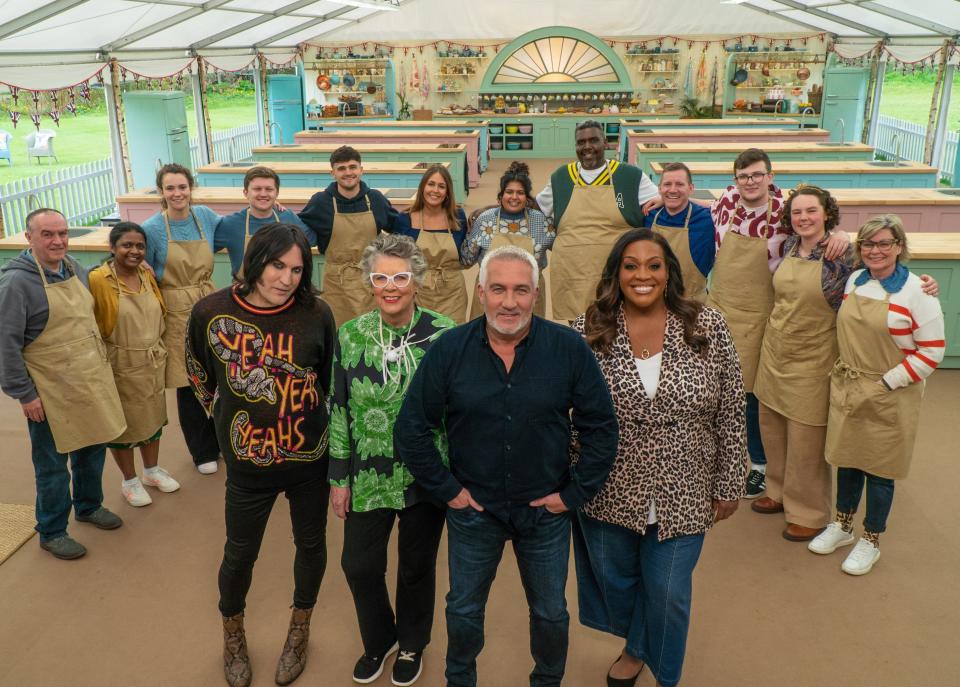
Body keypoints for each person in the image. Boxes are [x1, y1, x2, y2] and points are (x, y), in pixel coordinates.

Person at [395, 245, 619, 687]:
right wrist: (449, 491)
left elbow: (602, 429)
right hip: (474, 511)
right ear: (481, 292)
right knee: (462, 610)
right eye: (498, 289)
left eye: (521, 290)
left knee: (551, 614)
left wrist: (573, 495)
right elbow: (411, 428)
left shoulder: (569, 348)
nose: (509, 302)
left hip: (545, 513)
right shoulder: (450, 349)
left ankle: (547, 682)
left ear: (536, 294)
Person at [572, 228, 747, 687]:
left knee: (668, 592)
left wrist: (730, 482)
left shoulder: (707, 326)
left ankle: (666, 675)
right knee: (616, 583)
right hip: (609, 486)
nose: (642, 275)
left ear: (669, 272)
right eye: (630, 265)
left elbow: (731, 408)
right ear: (616, 274)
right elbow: (566, 413)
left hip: (685, 485)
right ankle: (635, 645)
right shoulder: (586, 330)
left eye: (654, 265)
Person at [186, 223, 336, 687]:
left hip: (310, 459)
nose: (287, 278)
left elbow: (326, 379)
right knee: (239, 554)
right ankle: (233, 634)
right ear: (254, 261)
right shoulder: (210, 313)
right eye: (277, 265)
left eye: (297, 269)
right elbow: (198, 374)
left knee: (310, 546)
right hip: (248, 464)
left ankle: (299, 628)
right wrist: (226, 419)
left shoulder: (317, 313)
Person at [329, 234, 456, 686]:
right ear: (369, 282)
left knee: (416, 566)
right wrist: (338, 477)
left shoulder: (444, 334)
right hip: (367, 472)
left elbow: (458, 409)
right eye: (380, 277)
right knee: (358, 564)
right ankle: (380, 638)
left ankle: (411, 643)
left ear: (416, 281)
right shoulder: (350, 335)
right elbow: (339, 408)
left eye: (400, 277)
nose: (390, 286)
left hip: (425, 474)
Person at [705, 149, 847, 498]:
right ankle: (721, 456)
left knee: (753, 393)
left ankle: (760, 464)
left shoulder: (786, 208)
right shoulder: (725, 200)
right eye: (743, 176)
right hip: (721, 306)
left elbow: (815, 226)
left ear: (770, 176)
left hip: (761, 312)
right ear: (735, 179)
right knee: (718, 388)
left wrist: (841, 235)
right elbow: (696, 212)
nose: (750, 182)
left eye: (757, 175)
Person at [812, 215, 945, 576]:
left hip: (891, 390)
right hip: (850, 383)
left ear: (899, 246)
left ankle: (870, 540)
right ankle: (842, 525)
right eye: (868, 244)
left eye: (884, 243)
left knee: (880, 469)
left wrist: (886, 383)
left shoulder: (917, 292)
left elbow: (932, 351)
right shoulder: (856, 280)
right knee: (849, 457)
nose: (876, 251)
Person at [0, 208, 124, 560]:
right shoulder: (16, 283)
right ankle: (52, 529)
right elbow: (5, 344)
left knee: (92, 448)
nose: (58, 241)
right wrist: (24, 394)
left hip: (87, 380)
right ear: (28, 238)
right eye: (47, 235)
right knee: (52, 465)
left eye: (63, 234)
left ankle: (88, 505)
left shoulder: (73, 269)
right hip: (49, 391)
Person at [89, 222, 179, 507]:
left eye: (140, 246)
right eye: (127, 245)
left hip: (151, 358)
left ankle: (152, 471)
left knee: (153, 417)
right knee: (124, 425)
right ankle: (130, 480)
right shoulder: (98, 280)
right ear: (112, 248)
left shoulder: (146, 274)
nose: (134, 251)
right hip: (120, 361)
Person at [142, 163, 224, 475]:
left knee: (219, 377)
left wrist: (273, 209)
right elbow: (140, 265)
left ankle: (223, 441)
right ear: (161, 192)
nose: (178, 193)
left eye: (182, 187)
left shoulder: (205, 216)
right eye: (170, 188)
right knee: (188, 382)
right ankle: (202, 451)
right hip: (175, 307)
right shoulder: (152, 228)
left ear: (191, 188)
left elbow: (237, 228)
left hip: (208, 301)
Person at [536, 120, 659, 321]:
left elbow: (661, 202)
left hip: (615, 269)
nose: (587, 147)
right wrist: (492, 208)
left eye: (593, 140)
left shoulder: (629, 176)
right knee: (578, 329)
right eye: (581, 142)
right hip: (572, 270)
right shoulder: (561, 177)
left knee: (616, 327)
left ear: (606, 143)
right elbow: (536, 208)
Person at [299, 145, 399, 326]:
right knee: (339, 334)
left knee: (373, 331)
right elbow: (297, 233)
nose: (348, 172)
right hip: (337, 283)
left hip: (370, 279)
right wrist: (280, 212)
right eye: (341, 168)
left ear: (361, 170)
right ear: (333, 173)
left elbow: (400, 229)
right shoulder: (321, 202)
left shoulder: (375, 199)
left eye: (353, 167)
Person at [462, 161, 554, 318]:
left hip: (529, 294)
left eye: (520, 192)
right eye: (509, 192)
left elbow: (561, 247)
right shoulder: (485, 220)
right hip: (491, 294)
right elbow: (467, 260)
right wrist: (467, 231)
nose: (514, 197)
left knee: (530, 339)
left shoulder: (541, 221)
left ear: (527, 197)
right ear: (501, 196)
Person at [392, 164, 469, 323]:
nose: (435, 190)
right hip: (417, 291)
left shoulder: (457, 216)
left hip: (452, 292)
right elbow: (396, 260)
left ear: (447, 192)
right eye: (431, 184)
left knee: (452, 336)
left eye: (441, 186)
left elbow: (465, 252)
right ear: (422, 187)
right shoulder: (405, 219)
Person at [218, 166, 317, 275]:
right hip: (246, 290)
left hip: (283, 288)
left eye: (269, 189)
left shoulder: (288, 217)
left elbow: (312, 239)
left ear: (277, 193)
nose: (263, 194)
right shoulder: (230, 224)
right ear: (245, 192)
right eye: (257, 189)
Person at [643, 162, 715, 302]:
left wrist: (670, 199)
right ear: (659, 189)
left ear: (691, 188)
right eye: (667, 184)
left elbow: (735, 204)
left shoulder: (708, 218)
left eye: (680, 184)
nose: (673, 190)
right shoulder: (648, 215)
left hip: (693, 305)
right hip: (653, 302)